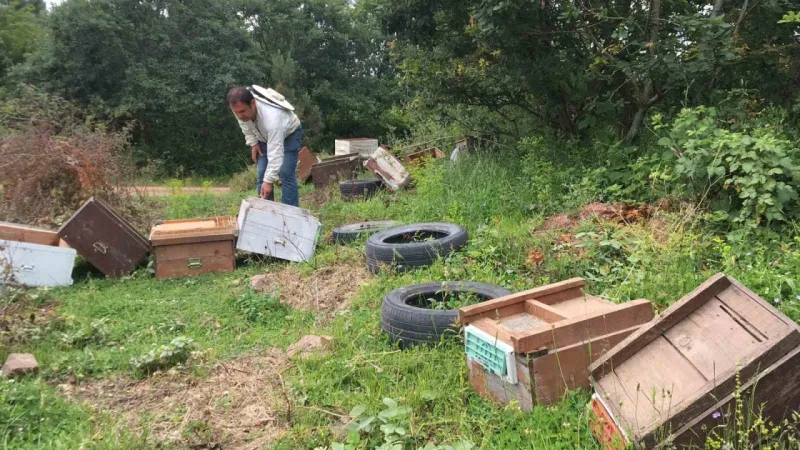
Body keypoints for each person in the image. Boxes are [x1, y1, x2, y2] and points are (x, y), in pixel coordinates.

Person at [227, 86, 302, 206]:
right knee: (262, 173)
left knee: (285, 173)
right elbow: (245, 125)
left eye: (242, 111)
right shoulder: (238, 107)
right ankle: (265, 214)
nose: (239, 115)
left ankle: (290, 216)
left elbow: (275, 152)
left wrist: (268, 181)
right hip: (263, 136)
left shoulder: (273, 118)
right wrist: (253, 143)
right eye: (236, 112)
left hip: (289, 135)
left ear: (253, 103)